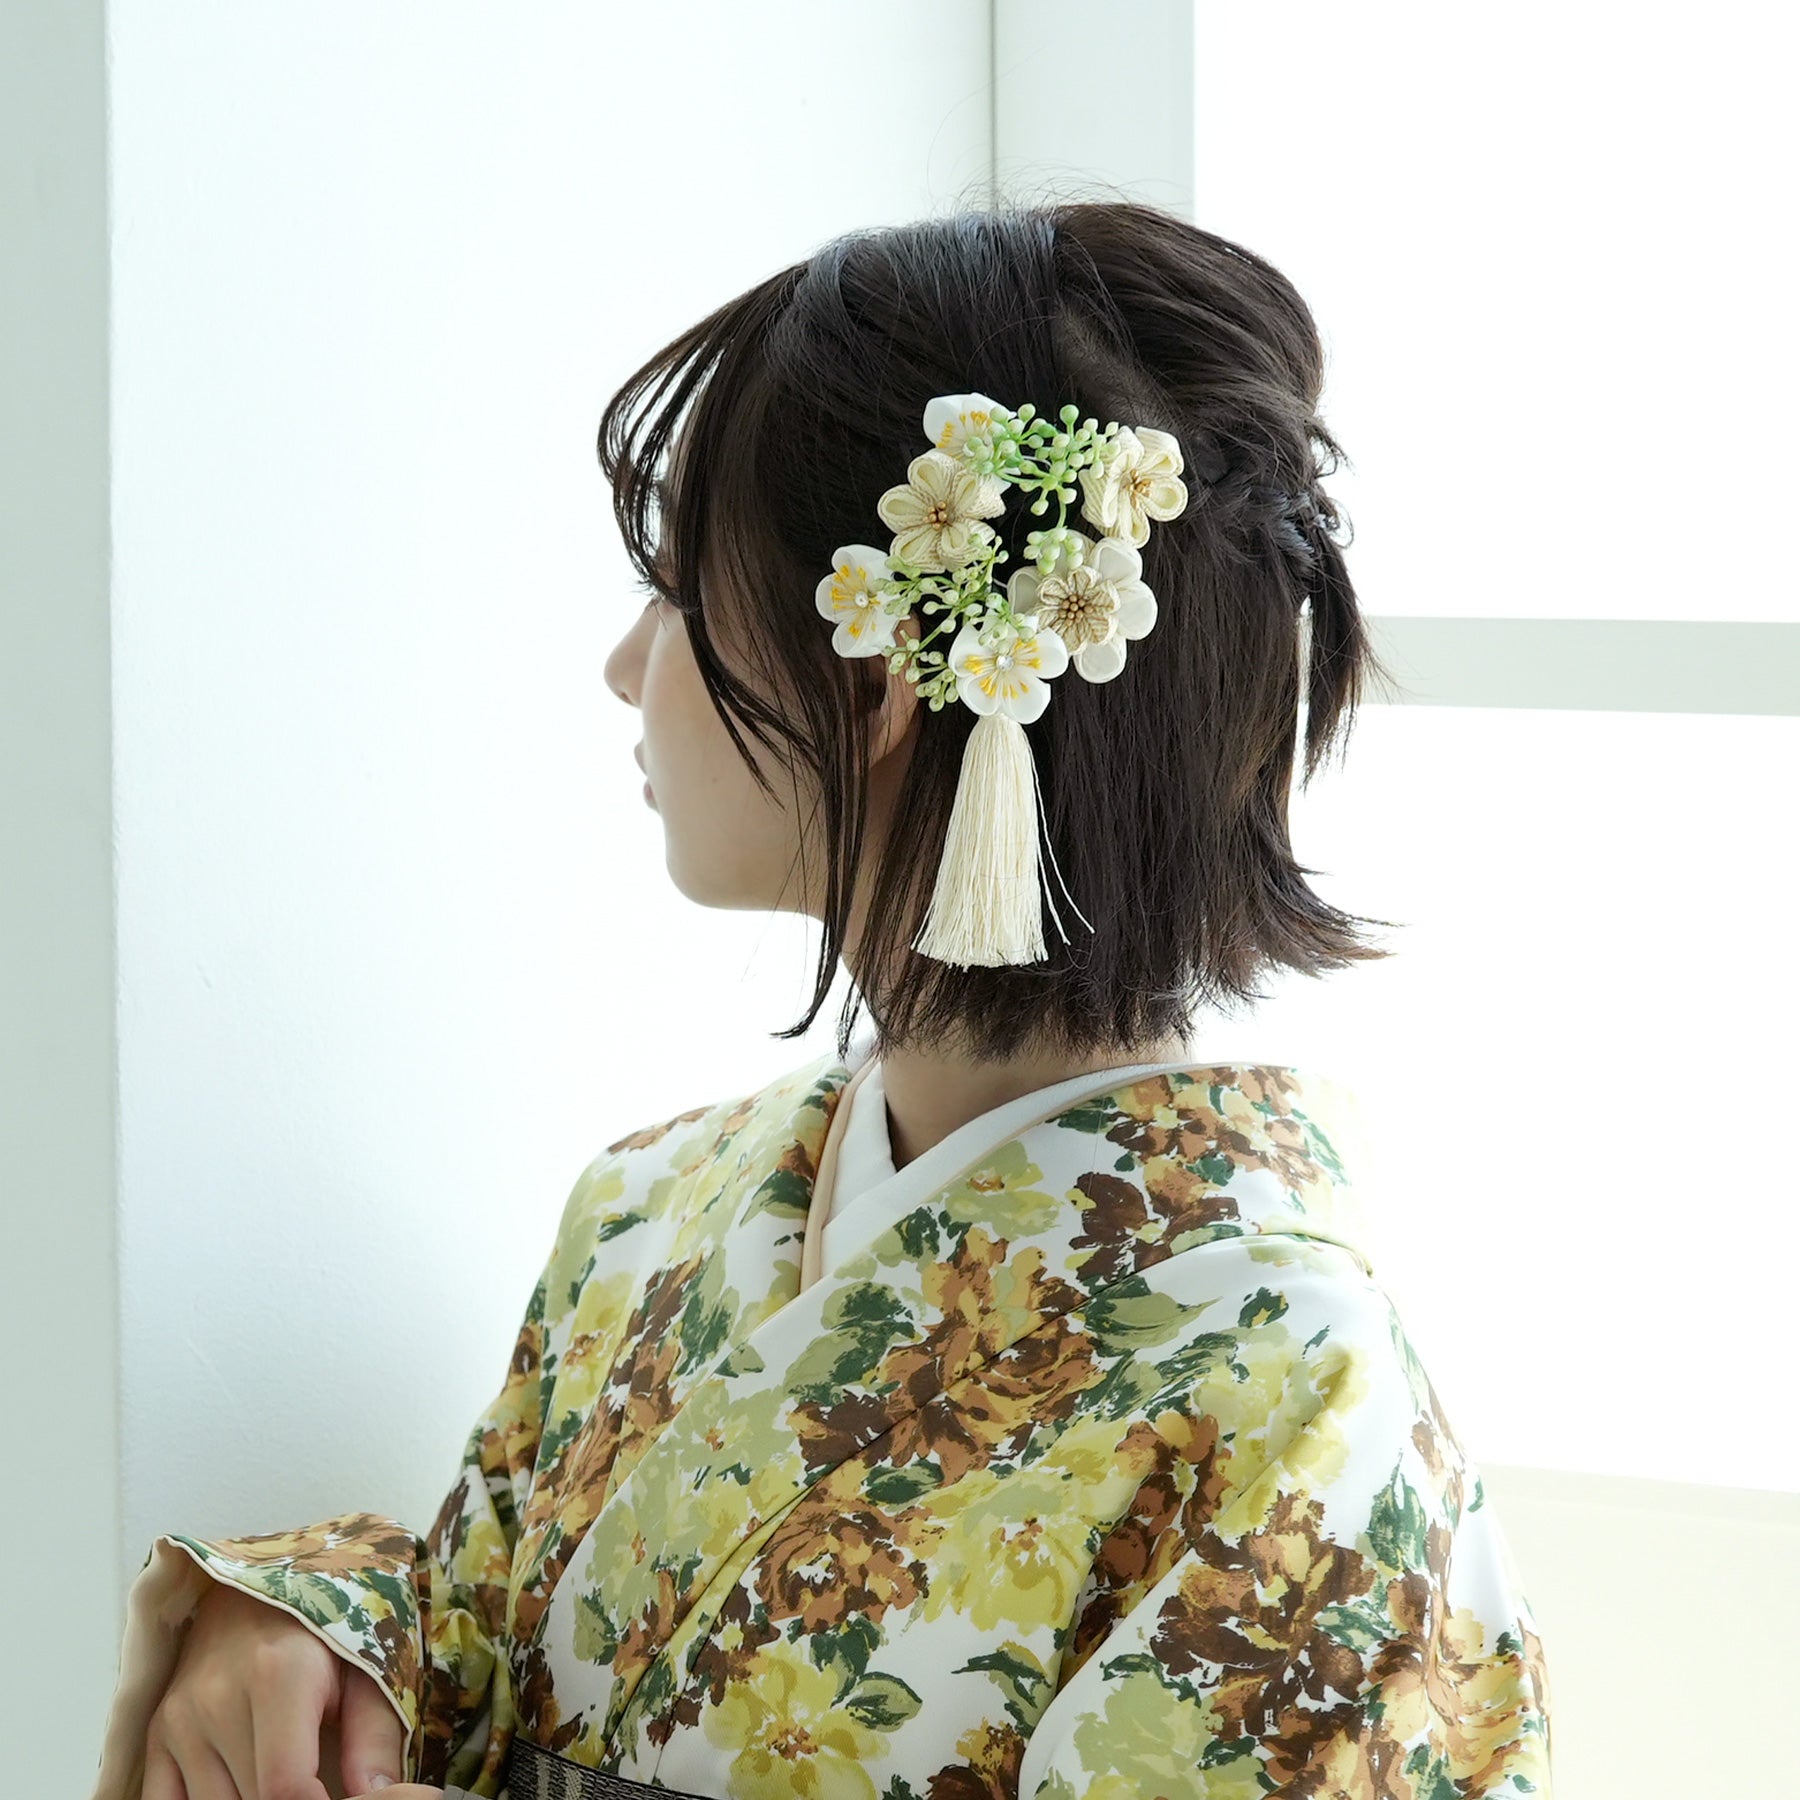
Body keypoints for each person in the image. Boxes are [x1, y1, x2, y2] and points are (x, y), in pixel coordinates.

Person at [89, 200, 1553, 1800]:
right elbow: (479, 1672)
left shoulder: (1299, 1394)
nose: (623, 664)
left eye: (672, 588)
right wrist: (302, 1635)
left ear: (868, 681)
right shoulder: (647, 1213)